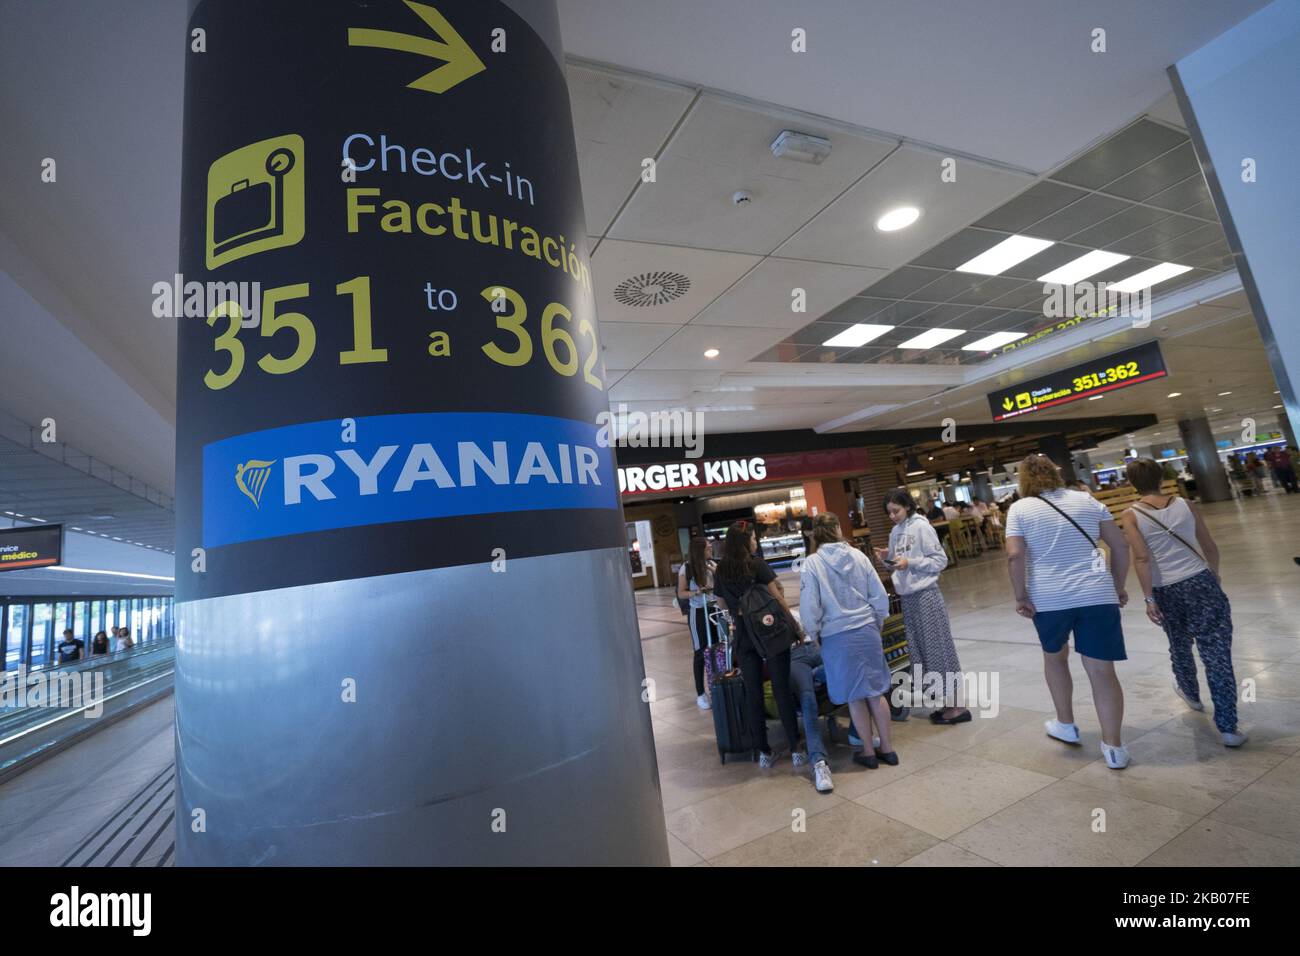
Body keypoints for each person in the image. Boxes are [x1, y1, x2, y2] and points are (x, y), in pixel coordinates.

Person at [1005, 453, 1133, 769]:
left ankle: (1065, 724)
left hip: (1048, 599)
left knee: (1055, 658)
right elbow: (1120, 546)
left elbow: (1014, 555)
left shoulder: (1019, 509)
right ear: (1056, 474)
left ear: (1023, 480)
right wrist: (1116, 585)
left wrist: (1020, 595)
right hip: (1097, 594)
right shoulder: (1087, 501)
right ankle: (1114, 748)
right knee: (1103, 671)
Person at [1120, 459, 1246, 747]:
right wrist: (1213, 575)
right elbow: (1209, 545)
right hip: (1200, 580)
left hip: (1167, 590)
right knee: (1216, 652)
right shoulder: (1187, 505)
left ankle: (1190, 693)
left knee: (1179, 642)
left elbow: (1141, 559)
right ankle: (1228, 727)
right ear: (1163, 476)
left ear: (1131, 483)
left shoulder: (1131, 515)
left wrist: (1149, 598)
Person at [800, 513, 897, 772]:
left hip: (836, 635)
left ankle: (867, 751)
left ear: (815, 534)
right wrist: (876, 623)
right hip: (866, 629)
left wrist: (815, 633)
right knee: (876, 692)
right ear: (838, 529)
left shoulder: (812, 563)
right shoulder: (858, 556)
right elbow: (878, 595)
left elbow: (810, 608)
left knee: (855, 697)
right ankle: (888, 748)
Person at [713, 521, 804, 771]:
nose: (755, 541)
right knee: (781, 688)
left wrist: (738, 610)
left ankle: (763, 751)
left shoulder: (721, 571)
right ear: (745, 541)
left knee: (753, 693)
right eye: (753, 537)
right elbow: (777, 597)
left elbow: (721, 604)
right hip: (770, 631)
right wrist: (795, 627)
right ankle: (795, 748)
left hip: (743, 636)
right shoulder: (757, 564)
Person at [876, 490, 971, 724]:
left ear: (907, 507)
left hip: (926, 596)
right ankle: (947, 704)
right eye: (888, 512)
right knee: (923, 654)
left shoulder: (921, 526)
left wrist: (911, 562)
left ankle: (958, 707)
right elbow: (899, 565)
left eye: (895, 511)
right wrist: (888, 559)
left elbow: (940, 560)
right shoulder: (895, 532)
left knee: (939, 651)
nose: (892, 516)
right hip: (909, 599)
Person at [677, 536, 718, 710]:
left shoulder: (713, 565)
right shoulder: (686, 568)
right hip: (697, 612)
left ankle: (717, 686)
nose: (711, 549)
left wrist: (717, 574)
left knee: (718, 648)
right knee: (700, 651)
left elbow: (721, 585)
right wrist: (696, 592)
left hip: (714, 609)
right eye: (708, 547)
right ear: (699, 550)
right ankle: (701, 693)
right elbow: (681, 593)